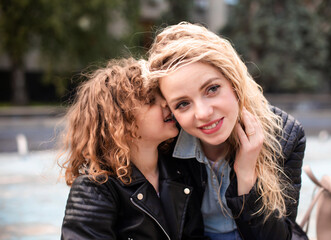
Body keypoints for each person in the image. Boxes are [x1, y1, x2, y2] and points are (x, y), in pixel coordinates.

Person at [146, 22, 307, 240]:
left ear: (234, 81)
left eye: (212, 89)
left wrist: (246, 175)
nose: (202, 113)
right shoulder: (164, 145)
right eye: (183, 104)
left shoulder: (285, 136)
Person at [58, 58, 207, 240]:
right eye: (151, 100)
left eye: (163, 96)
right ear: (120, 122)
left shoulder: (181, 170)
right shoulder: (95, 188)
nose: (166, 104)